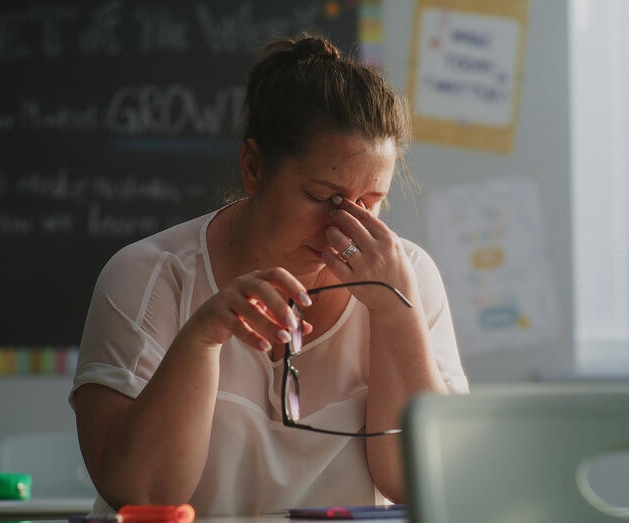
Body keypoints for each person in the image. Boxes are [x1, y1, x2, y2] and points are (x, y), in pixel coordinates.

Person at [69, 33, 468, 517]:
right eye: (323, 197)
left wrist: (395, 313)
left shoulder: (409, 276)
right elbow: (144, 495)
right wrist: (202, 338)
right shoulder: (148, 277)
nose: (346, 226)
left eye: (371, 202)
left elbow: (422, 483)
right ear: (254, 167)